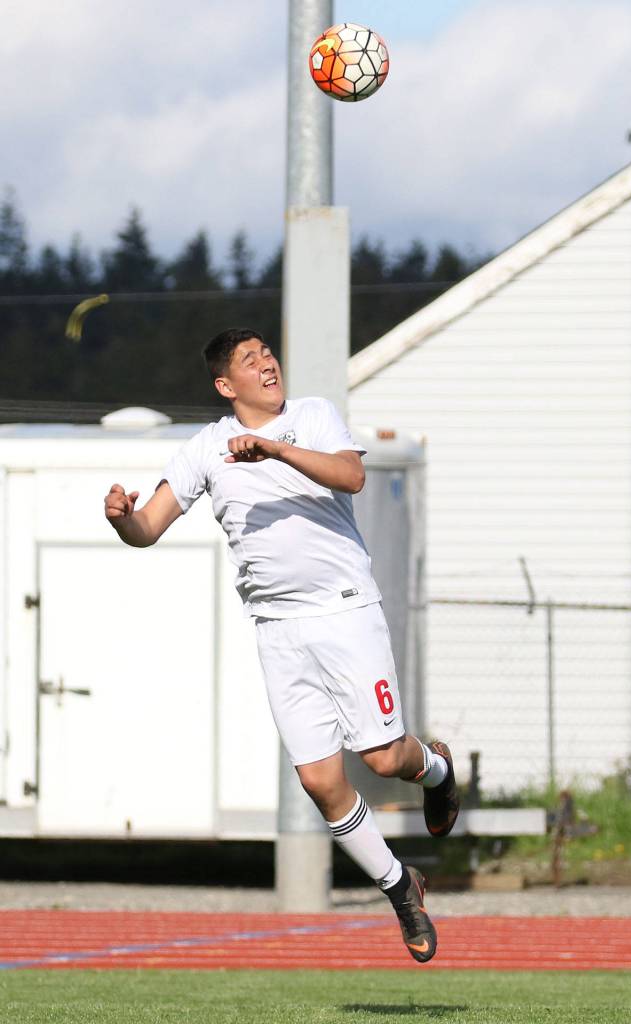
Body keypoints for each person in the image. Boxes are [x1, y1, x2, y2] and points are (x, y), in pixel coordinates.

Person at [103, 327, 459, 963]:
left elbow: (352, 475)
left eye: (268, 353)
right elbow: (148, 527)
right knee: (321, 782)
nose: (268, 363)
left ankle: (436, 769)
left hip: (344, 611)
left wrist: (275, 449)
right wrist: (122, 517)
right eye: (251, 360)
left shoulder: (312, 416)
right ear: (225, 384)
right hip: (276, 628)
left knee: (382, 760)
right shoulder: (205, 448)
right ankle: (401, 887)